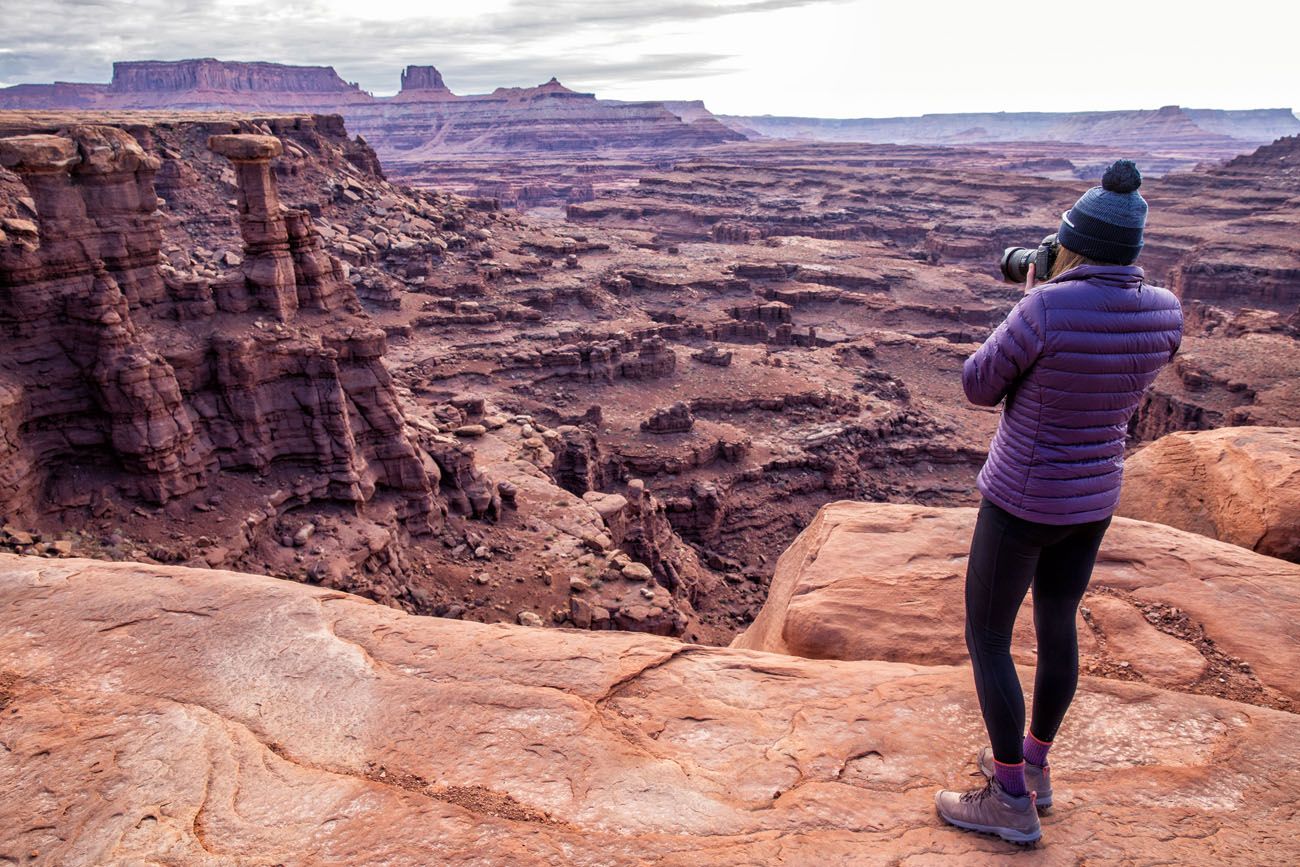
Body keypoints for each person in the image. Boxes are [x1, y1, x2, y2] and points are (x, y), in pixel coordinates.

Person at [934, 160, 1184, 844]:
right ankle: (1036, 769)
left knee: (987, 636)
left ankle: (1008, 797)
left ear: (1072, 243)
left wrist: (1037, 298)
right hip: (1093, 499)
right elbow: (1121, 352)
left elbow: (977, 385)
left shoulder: (1043, 306)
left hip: (1021, 500)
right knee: (1057, 626)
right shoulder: (1166, 310)